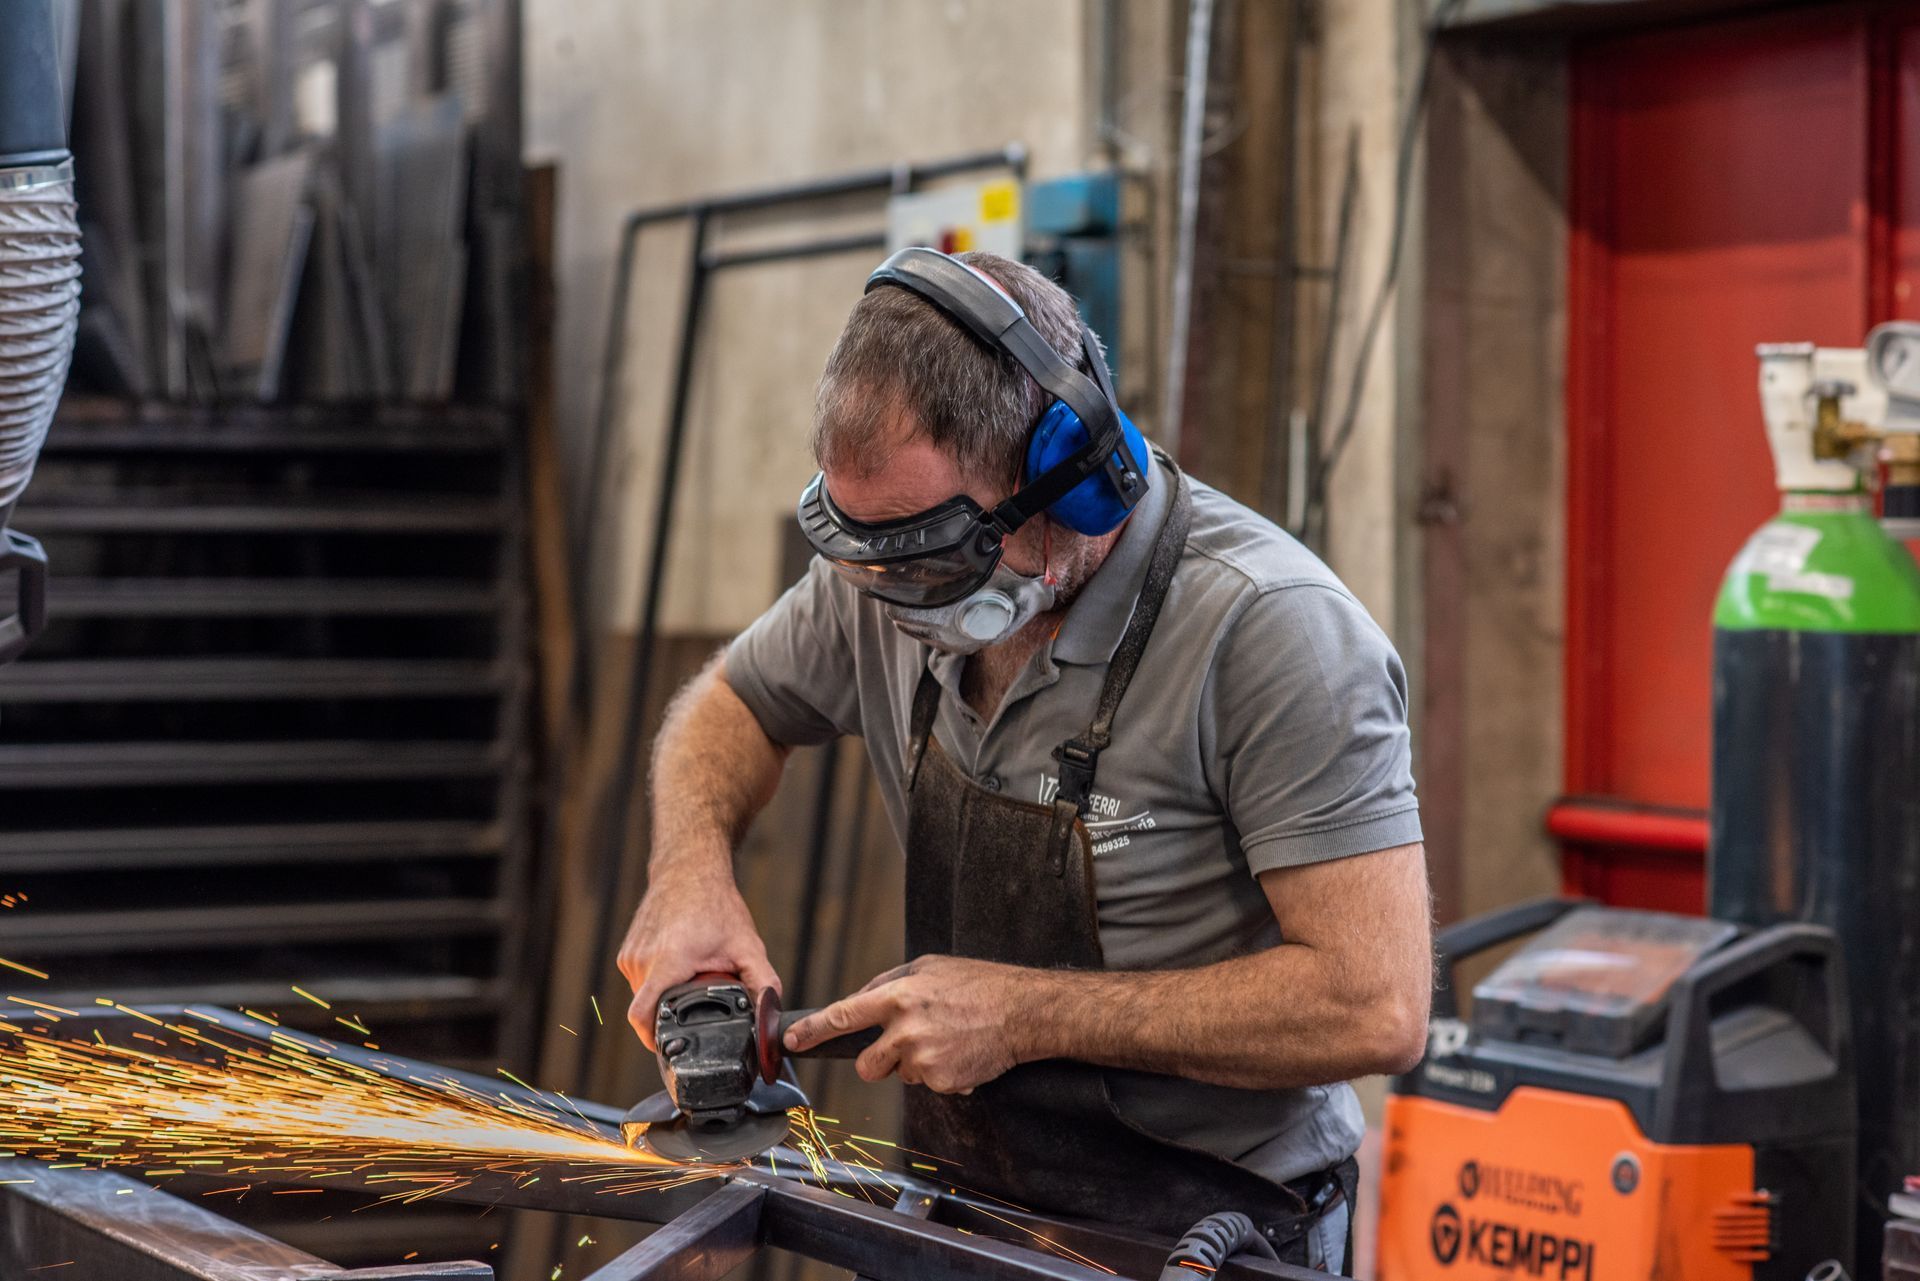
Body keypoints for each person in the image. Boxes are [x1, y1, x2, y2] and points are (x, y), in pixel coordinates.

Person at [618, 247, 1431, 1273]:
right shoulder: (882, 578)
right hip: (967, 1219)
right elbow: (732, 702)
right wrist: (690, 871)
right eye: (872, 558)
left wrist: (1025, 1016)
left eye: (934, 559)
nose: (901, 602)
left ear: (1076, 480)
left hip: (1204, 1231)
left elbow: (1376, 1004)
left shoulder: (1274, 634)